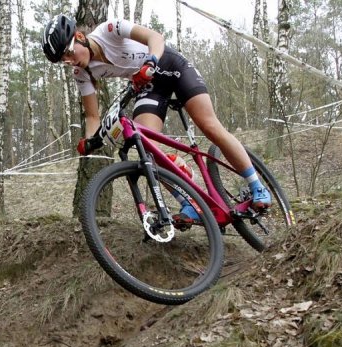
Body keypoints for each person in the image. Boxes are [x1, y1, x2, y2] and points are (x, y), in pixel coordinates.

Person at [41, 15, 271, 223]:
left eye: (69, 53)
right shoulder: (81, 73)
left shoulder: (110, 29)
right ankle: (189, 201)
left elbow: (155, 37)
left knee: (209, 126)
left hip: (172, 66)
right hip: (150, 86)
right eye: (63, 60)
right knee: (147, 148)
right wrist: (89, 141)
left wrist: (151, 61)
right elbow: (92, 116)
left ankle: (257, 186)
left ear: (80, 37)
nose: (70, 61)